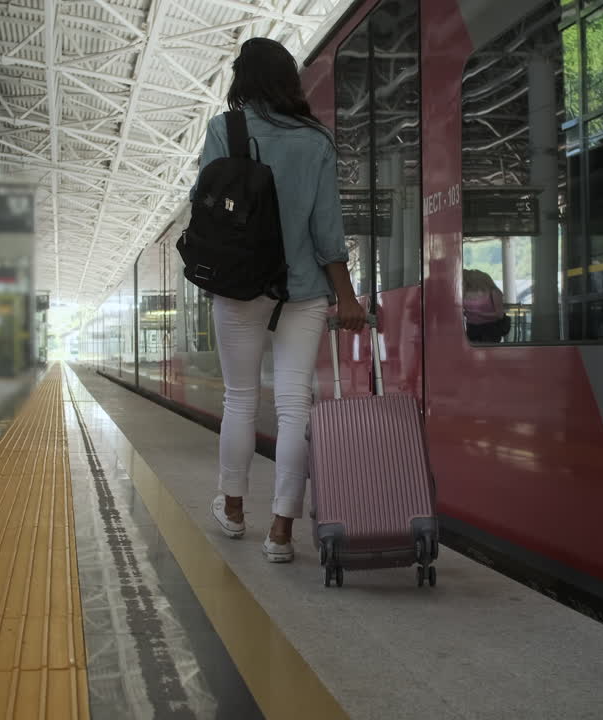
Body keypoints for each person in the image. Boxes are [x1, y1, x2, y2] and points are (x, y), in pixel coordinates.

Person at [197, 37, 365, 564]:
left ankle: (233, 508)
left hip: (239, 286)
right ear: (289, 80)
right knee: (296, 407)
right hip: (304, 290)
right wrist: (348, 297)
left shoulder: (225, 130)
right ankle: (281, 532)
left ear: (241, 78)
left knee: (240, 400)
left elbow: (203, 210)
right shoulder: (316, 141)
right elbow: (327, 231)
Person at [461, 268, 510, 343]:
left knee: (487, 350)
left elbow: (499, 315)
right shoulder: (465, 292)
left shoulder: (494, 292)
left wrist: (477, 314)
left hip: (490, 328)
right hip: (472, 327)